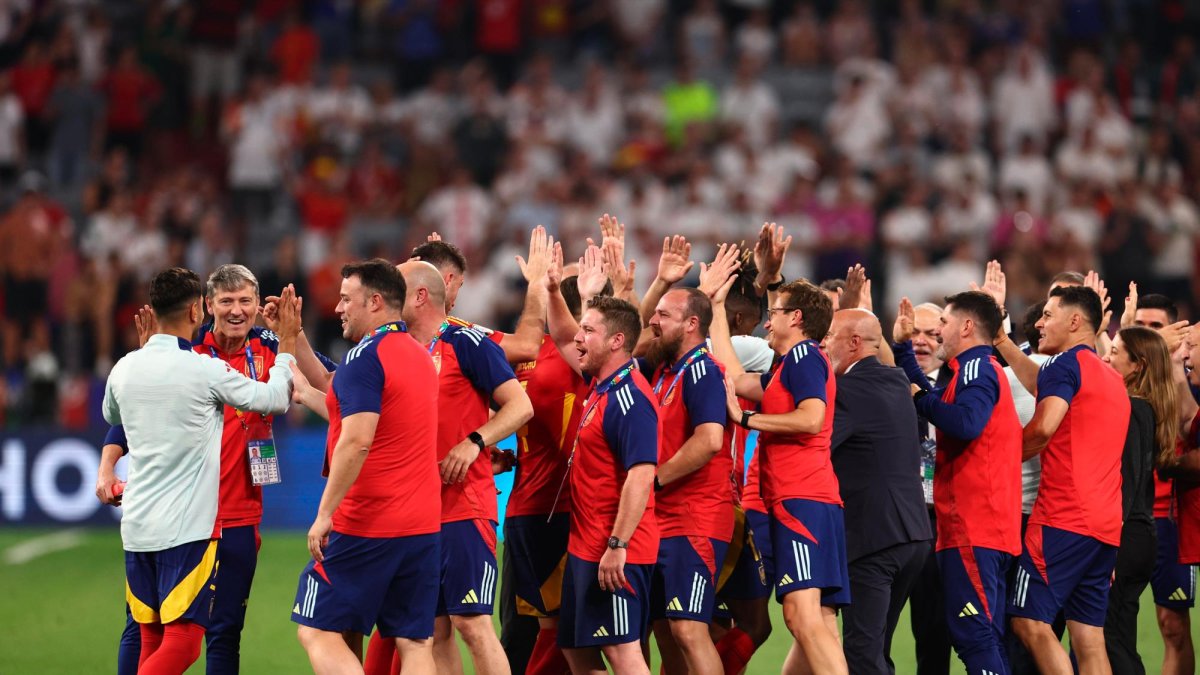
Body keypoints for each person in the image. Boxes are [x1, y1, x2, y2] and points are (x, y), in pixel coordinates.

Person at [102, 268, 297, 675]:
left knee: (223, 634)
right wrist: (107, 465)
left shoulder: (265, 345)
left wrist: (291, 340)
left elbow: (328, 381)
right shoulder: (196, 359)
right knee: (155, 634)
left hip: (231, 516)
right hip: (191, 522)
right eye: (226, 301)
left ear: (259, 304)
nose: (236, 311)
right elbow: (277, 397)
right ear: (203, 308)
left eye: (245, 301)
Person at [290, 259, 442, 675]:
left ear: (374, 302)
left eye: (345, 299)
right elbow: (369, 419)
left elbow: (356, 441)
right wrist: (306, 389)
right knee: (414, 643)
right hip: (423, 524)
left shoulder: (364, 357)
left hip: (370, 523)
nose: (338, 308)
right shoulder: (420, 354)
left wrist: (324, 514)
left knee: (316, 629)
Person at [709, 224, 849, 675]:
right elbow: (732, 374)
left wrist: (748, 420)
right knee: (808, 618)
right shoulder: (787, 367)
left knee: (803, 618)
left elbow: (811, 418)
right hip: (800, 499)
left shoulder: (806, 357)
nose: (769, 319)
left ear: (799, 320)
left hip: (801, 500)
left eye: (778, 312)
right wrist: (714, 304)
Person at [397, 260, 533, 675]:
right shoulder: (398, 348)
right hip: (418, 512)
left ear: (420, 295)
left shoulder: (468, 343)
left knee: (472, 623)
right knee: (433, 630)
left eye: (394, 287)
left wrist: (475, 442)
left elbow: (520, 405)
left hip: (464, 506)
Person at [896, 291, 1022, 675]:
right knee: (986, 634)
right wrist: (903, 352)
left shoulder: (975, 368)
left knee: (973, 636)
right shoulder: (975, 370)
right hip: (986, 526)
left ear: (967, 327)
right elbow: (936, 399)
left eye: (944, 324)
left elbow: (965, 423)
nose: (938, 331)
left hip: (973, 525)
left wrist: (919, 398)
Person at [1009, 286, 1131, 675]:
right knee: (1088, 637)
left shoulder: (1064, 366)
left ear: (1075, 321)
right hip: (1105, 526)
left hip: (1063, 517)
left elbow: (1043, 427)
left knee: (1029, 621)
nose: (1040, 323)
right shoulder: (1112, 379)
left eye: (1048, 314)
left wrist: (996, 460)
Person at [544, 285, 660, 675]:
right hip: (586, 545)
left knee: (622, 653)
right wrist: (551, 289)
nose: (578, 337)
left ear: (616, 341)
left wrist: (617, 545)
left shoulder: (631, 399)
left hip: (614, 549)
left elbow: (642, 476)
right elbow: (562, 335)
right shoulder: (601, 386)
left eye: (589, 331)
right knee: (578, 651)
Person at [823, 308, 933, 675]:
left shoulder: (846, 390)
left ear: (854, 343)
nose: (823, 345)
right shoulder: (895, 380)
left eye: (830, 337)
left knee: (862, 651)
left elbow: (815, 443)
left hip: (874, 539)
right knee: (876, 646)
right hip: (913, 535)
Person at [640, 285, 731, 675]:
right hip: (662, 520)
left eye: (664, 315)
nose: (654, 321)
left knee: (690, 630)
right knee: (664, 631)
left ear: (692, 324)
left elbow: (709, 440)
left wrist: (653, 481)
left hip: (696, 519)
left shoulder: (703, 370)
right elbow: (631, 342)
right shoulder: (664, 372)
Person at [1102, 327, 1179, 673]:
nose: (1107, 355)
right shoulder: (1145, 407)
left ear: (1138, 366)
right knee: (1111, 636)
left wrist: (1111, 548)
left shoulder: (1132, 410)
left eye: (1115, 352)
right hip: (1136, 535)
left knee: (1112, 639)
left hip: (1124, 537)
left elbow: (1127, 483)